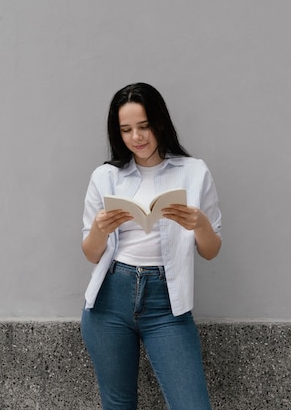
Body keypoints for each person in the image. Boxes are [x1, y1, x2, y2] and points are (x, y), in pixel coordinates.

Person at [80, 82, 222, 410]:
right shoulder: (105, 177)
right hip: (109, 300)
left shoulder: (194, 172)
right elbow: (91, 253)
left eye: (144, 126)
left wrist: (198, 223)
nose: (137, 137)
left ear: (160, 123)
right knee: (118, 404)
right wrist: (101, 229)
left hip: (166, 302)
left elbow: (211, 250)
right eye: (126, 130)